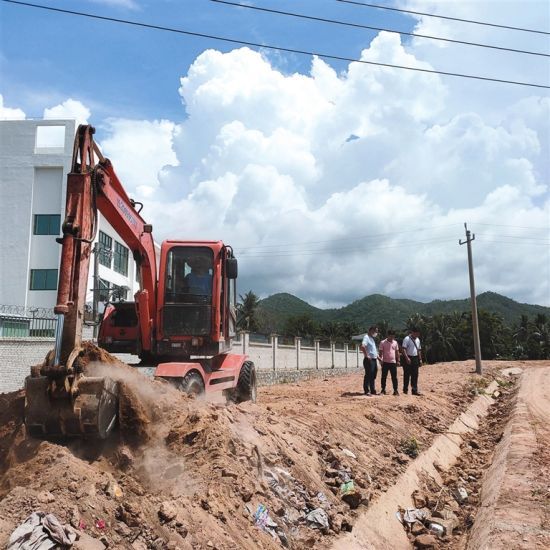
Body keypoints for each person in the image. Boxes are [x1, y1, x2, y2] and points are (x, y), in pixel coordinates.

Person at [402, 328, 422, 395]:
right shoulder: (407, 339)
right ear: (413, 332)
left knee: (415, 375)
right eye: (417, 333)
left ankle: (414, 390)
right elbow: (403, 349)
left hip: (415, 358)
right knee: (407, 374)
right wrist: (407, 358)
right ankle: (405, 390)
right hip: (408, 357)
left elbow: (419, 350)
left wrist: (420, 359)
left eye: (418, 333)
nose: (418, 335)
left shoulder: (418, 340)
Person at [379, 330, 400, 395]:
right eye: (390, 336)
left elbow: (397, 352)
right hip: (385, 362)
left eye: (393, 336)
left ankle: (395, 390)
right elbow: (380, 352)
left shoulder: (395, 343)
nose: (392, 338)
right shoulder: (382, 342)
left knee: (394, 377)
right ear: (388, 335)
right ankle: (383, 390)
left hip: (393, 362)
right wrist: (381, 360)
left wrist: (398, 360)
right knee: (384, 377)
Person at [360, 326, 379, 396]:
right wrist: (366, 355)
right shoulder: (366, 337)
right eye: (375, 331)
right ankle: (366, 390)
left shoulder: (372, 339)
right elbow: (362, 346)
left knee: (373, 375)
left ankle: (372, 390)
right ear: (371, 330)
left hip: (374, 360)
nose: (376, 333)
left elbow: (374, 351)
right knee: (368, 375)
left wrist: (379, 358)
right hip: (369, 360)